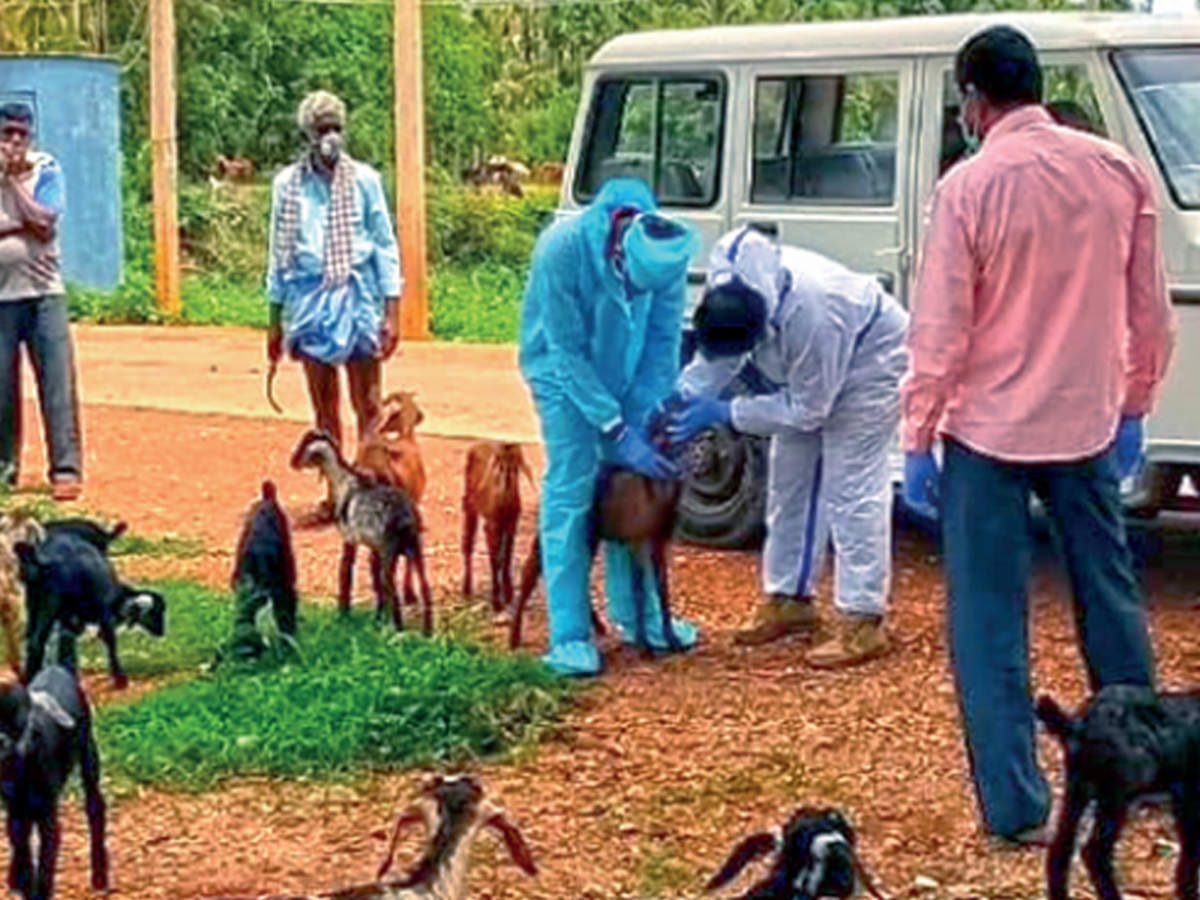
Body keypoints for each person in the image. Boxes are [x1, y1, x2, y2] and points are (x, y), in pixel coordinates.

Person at [901, 25, 1177, 845]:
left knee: (989, 618)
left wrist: (919, 436)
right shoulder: (1116, 171)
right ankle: (1150, 767)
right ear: (1041, 87)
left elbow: (942, 327)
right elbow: (1151, 312)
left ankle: (1018, 806)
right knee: (1110, 596)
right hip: (1088, 424)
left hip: (988, 434)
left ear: (973, 101)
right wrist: (1134, 403)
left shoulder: (968, 188)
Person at [667, 227, 908, 669]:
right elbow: (717, 359)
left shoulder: (814, 312)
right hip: (806, 374)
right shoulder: (728, 290)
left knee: (851, 490)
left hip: (870, 360)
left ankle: (863, 619)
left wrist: (724, 413)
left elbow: (808, 411)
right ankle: (790, 599)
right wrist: (677, 405)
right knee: (789, 481)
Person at [518, 177, 702, 677]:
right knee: (573, 487)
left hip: (628, 367)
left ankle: (641, 618)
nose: (636, 292)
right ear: (618, 248)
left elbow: (663, 343)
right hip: (559, 373)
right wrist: (612, 427)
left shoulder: (668, 253)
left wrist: (643, 420)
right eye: (630, 281)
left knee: (632, 488)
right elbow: (566, 350)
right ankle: (570, 633)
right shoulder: (562, 248)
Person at [266, 90, 402, 517]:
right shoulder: (288, 186)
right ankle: (336, 493)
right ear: (308, 134)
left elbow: (384, 243)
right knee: (324, 406)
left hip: (357, 297)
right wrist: (275, 318)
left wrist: (392, 309)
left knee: (368, 403)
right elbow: (278, 253)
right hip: (309, 302)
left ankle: (372, 487)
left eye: (335, 128)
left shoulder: (364, 181)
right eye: (321, 129)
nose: (330, 137)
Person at [0, 101, 83, 502]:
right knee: (1, 385)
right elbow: (32, 224)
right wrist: (24, 224)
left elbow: (46, 224)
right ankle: (5, 470)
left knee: (57, 383)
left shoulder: (45, 168)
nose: (14, 142)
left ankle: (65, 469)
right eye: (6, 133)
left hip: (44, 292)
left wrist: (12, 184)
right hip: (1, 297)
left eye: (21, 134)